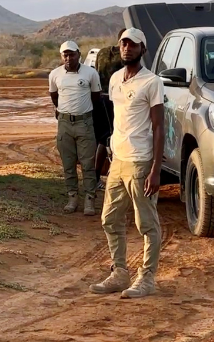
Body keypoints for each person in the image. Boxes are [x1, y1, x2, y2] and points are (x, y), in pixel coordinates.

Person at [90, 27, 165, 299]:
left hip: (140, 161)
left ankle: (147, 278)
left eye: (133, 44)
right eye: (123, 43)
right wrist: (110, 149)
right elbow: (116, 117)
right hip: (118, 160)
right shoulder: (114, 79)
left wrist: (155, 170)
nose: (127, 48)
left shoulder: (152, 82)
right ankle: (120, 273)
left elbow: (159, 127)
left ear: (143, 49)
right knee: (110, 218)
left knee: (146, 223)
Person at [49, 40, 102, 216]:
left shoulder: (90, 73)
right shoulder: (55, 74)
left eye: (72, 54)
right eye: (65, 55)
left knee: (88, 164)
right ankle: (72, 198)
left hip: (84, 123)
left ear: (78, 54)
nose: (68, 58)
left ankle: (89, 199)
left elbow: (96, 97)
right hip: (64, 124)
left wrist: (83, 111)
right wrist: (62, 110)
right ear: (61, 56)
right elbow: (54, 96)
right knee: (68, 164)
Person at [92, 29, 126, 188]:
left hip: (98, 99)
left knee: (101, 139)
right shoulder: (124, 57)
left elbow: (96, 72)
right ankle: (113, 176)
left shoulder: (102, 52)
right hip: (115, 100)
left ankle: (95, 177)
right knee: (113, 137)